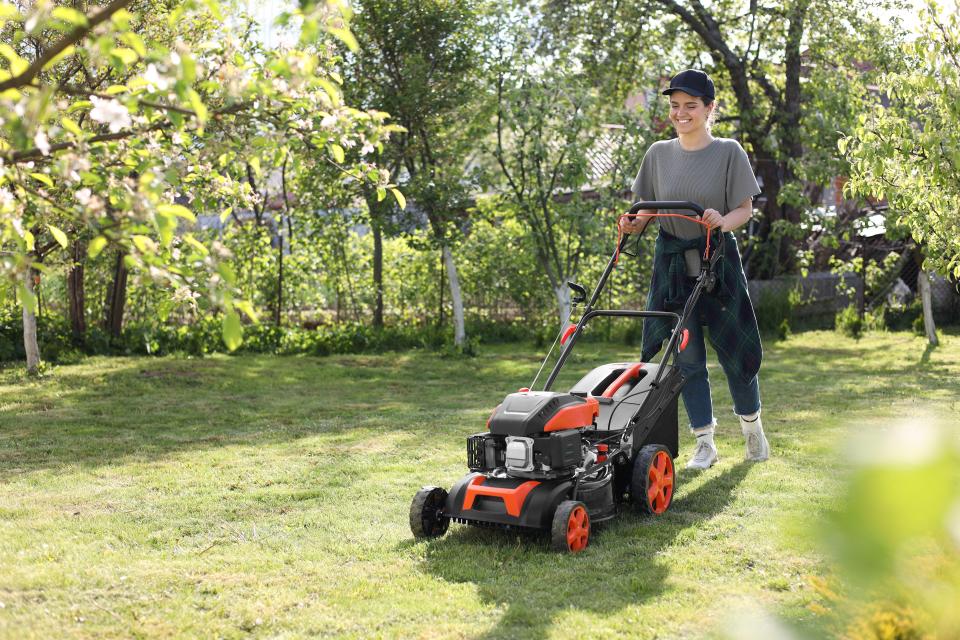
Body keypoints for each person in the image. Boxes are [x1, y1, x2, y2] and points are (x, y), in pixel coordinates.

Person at [620, 69, 769, 469]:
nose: (680, 113)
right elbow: (649, 207)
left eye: (690, 106)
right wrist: (636, 221)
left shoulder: (728, 152)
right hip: (672, 265)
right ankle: (705, 442)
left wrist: (722, 219)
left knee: (733, 350)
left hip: (717, 261)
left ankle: (752, 428)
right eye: (674, 106)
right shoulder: (657, 154)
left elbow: (744, 210)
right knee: (687, 357)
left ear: (709, 109)